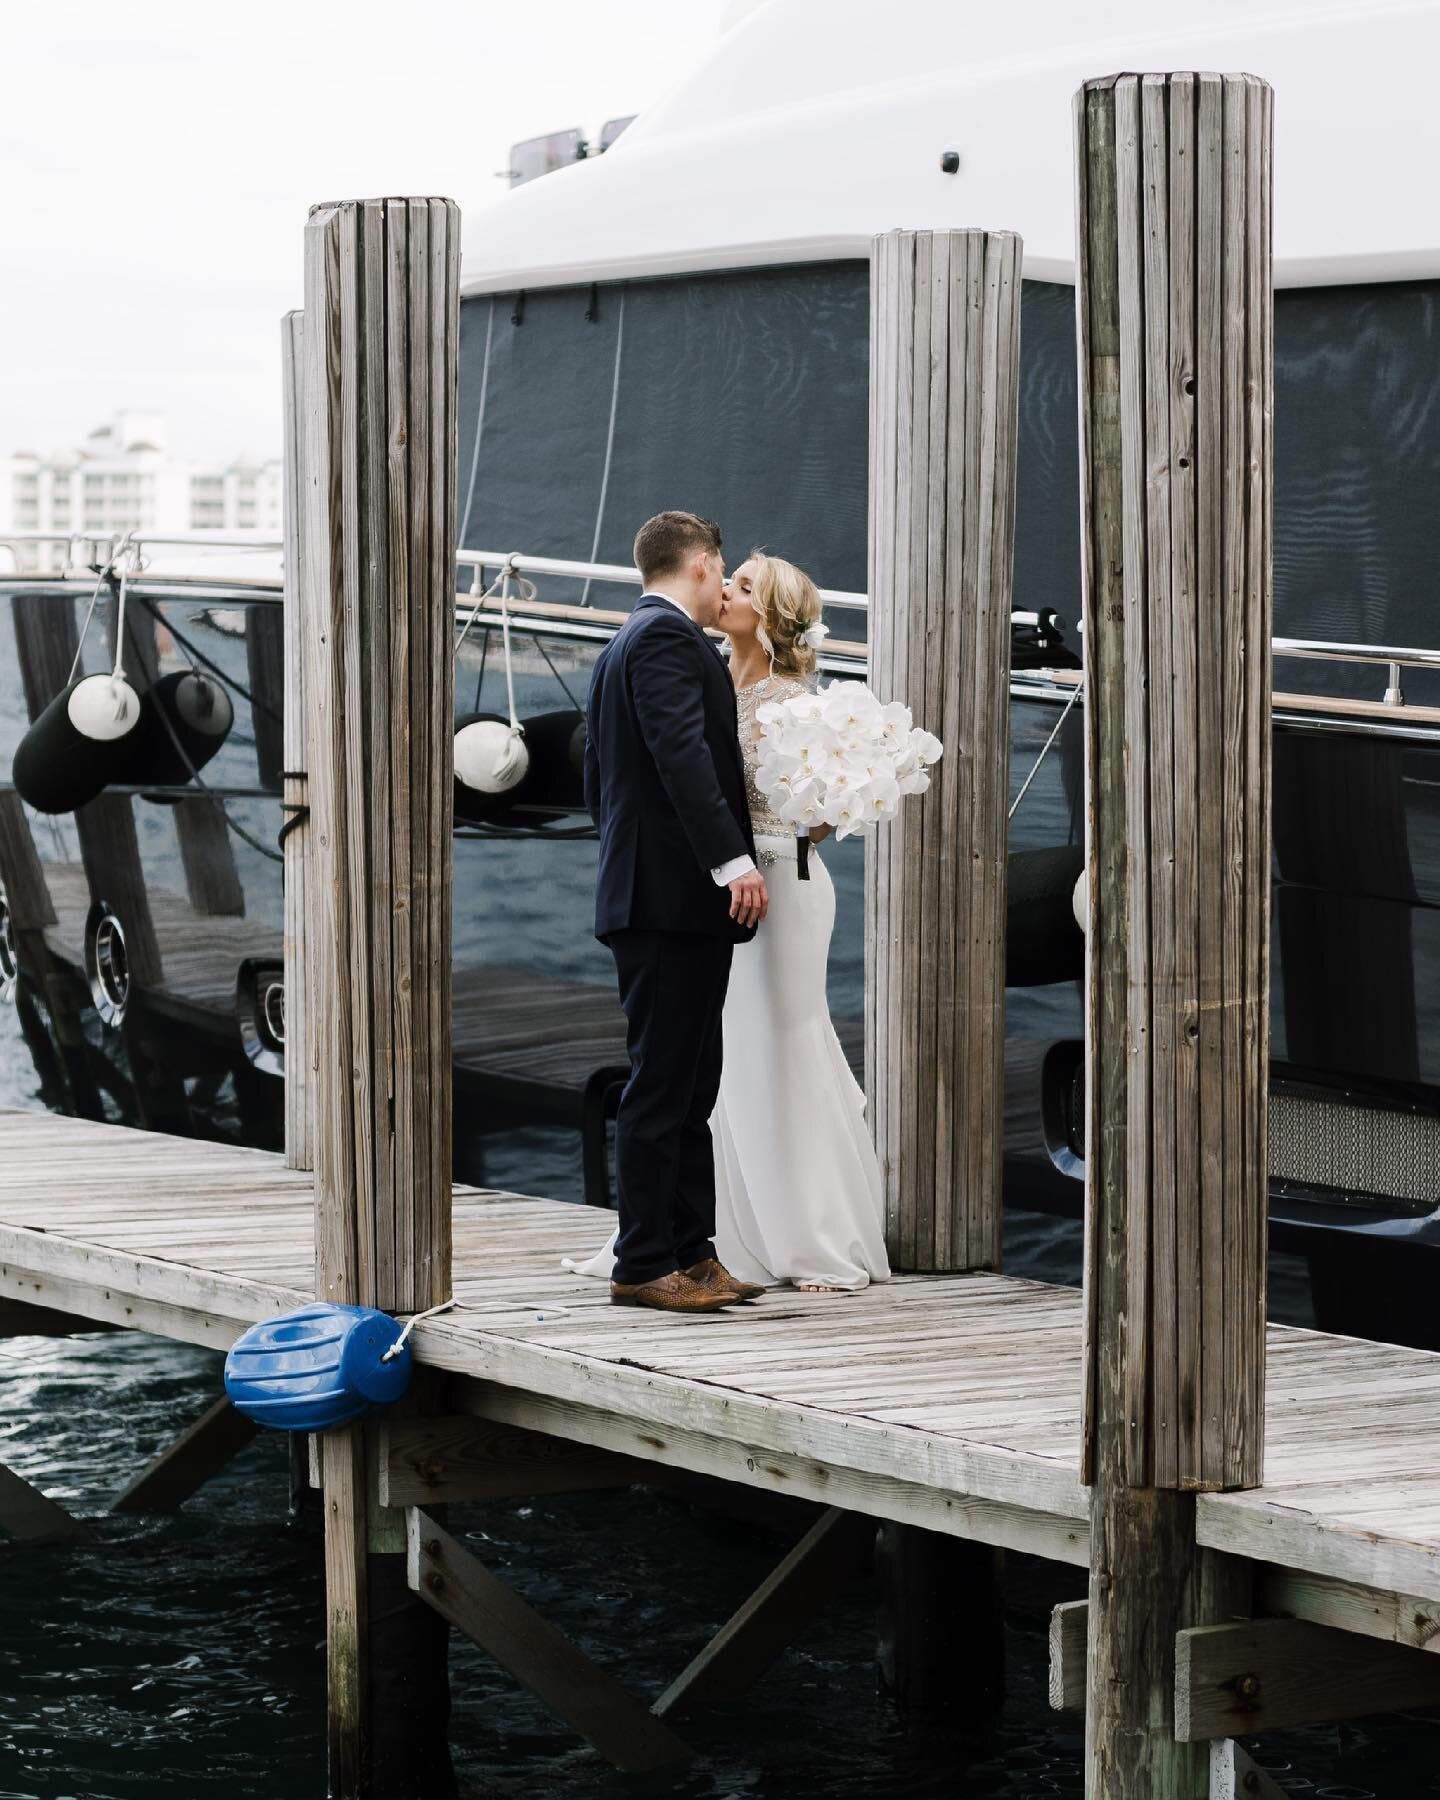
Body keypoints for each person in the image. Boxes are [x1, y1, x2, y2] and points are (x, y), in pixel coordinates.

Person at [571, 546, 890, 1294]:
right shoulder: (690, 664)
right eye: (727, 577)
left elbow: (809, 807)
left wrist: (809, 820)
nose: (725, 593)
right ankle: (691, 1248)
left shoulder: (784, 699)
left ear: (768, 614)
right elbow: (654, 769)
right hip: (713, 889)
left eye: (742, 587)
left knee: (760, 1050)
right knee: (700, 1069)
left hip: (771, 884)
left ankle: (798, 1238)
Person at [581, 510, 771, 1314]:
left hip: (662, 895)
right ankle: (642, 1262)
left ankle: (694, 1254)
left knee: (694, 1080)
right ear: (699, 565)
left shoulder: (625, 642)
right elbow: (681, 753)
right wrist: (732, 860)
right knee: (663, 1083)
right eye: (720, 568)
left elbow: (598, 778)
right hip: (667, 899)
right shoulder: (662, 640)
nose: (722, 584)